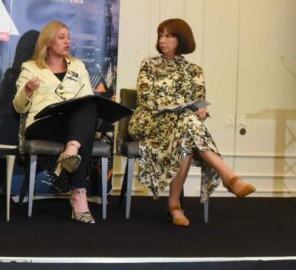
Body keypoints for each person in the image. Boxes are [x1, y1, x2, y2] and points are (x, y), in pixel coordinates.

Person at [129, 18, 255, 227]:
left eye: (169, 36)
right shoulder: (149, 64)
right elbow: (146, 99)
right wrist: (184, 107)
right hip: (149, 121)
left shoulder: (194, 70)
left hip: (181, 127)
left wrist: (201, 111)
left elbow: (198, 103)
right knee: (186, 120)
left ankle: (175, 205)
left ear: (182, 39)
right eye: (161, 35)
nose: (163, 40)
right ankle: (228, 176)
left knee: (186, 132)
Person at [13, 20, 98, 224]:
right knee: (83, 132)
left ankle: (71, 152)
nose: (67, 41)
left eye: (68, 37)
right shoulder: (30, 67)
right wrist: (27, 91)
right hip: (42, 123)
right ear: (48, 41)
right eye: (61, 38)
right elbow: (18, 107)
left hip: (71, 124)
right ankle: (78, 196)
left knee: (90, 105)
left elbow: (87, 98)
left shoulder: (78, 66)